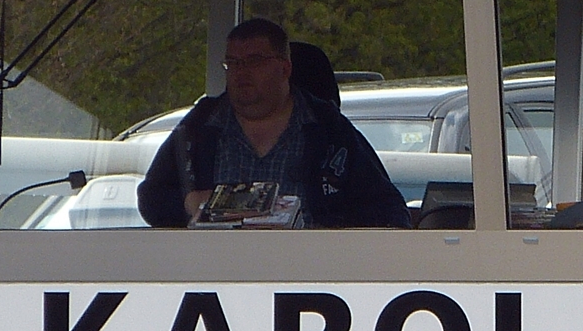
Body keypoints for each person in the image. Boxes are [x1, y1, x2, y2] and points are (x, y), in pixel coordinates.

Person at [138, 18, 411, 229]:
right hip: (216, 273)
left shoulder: (329, 130)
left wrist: (326, 230)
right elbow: (151, 199)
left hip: (308, 273)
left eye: (254, 61)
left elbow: (390, 212)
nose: (241, 72)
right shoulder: (200, 126)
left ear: (284, 68)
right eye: (233, 63)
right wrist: (189, 203)